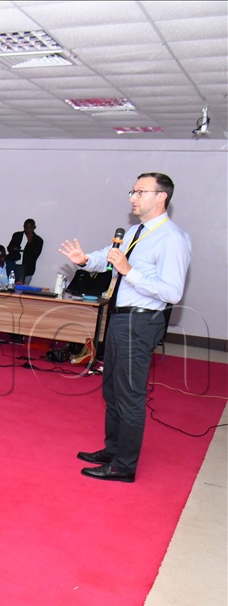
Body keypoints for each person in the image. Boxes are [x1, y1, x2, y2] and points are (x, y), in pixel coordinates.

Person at [59, 172, 191, 482]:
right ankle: (113, 450)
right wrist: (84, 260)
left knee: (130, 394)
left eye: (141, 192)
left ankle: (124, 466)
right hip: (120, 318)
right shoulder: (136, 231)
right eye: (133, 191)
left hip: (141, 321)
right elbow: (109, 257)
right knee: (112, 388)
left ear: (162, 197)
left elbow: (172, 292)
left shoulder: (172, 238)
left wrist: (129, 271)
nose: (133, 197)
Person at [7, 219, 44, 284]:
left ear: (34, 227)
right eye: (26, 227)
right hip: (13, 266)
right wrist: (14, 249)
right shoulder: (17, 235)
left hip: (27, 269)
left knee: (23, 288)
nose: (27, 230)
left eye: (29, 228)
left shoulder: (38, 240)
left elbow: (35, 255)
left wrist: (29, 243)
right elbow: (9, 248)